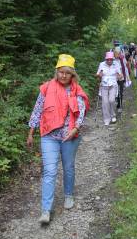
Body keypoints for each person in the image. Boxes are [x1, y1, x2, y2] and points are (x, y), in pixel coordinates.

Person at [27, 54, 90, 225]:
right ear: (57, 72)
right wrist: (31, 132)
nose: (63, 75)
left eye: (67, 73)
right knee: (49, 171)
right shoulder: (47, 88)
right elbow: (37, 110)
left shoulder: (76, 90)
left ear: (72, 75)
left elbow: (81, 113)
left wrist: (75, 129)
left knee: (68, 167)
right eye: (61, 72)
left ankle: (68, 194)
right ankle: (46, 210)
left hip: (69, 136)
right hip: (49, 135)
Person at [96, 51, 123, 126]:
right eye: (108, 59)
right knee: (105, 102)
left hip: (113, 85)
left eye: (111, 59)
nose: (109, 61)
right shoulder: (102, 64)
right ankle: (107, 119)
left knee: (112, 100)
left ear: (113, 59)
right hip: (104, 86)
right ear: (106, 59)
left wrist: (119, 76)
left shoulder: (116, 64)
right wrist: (99, 75)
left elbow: (120, 75)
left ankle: (113, 115)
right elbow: (97, 74)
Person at [113, 46, 131, 112]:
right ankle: (115, 100)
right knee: (115, 91)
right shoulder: (110, 59)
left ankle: (119, 105)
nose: (118, 54)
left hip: (121, 77)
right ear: (114, 53)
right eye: (116, 53)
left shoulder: (122, 59)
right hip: (113, 78)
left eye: (119, 53)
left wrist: (128, 77)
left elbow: (125, 68)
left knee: (120, 91)